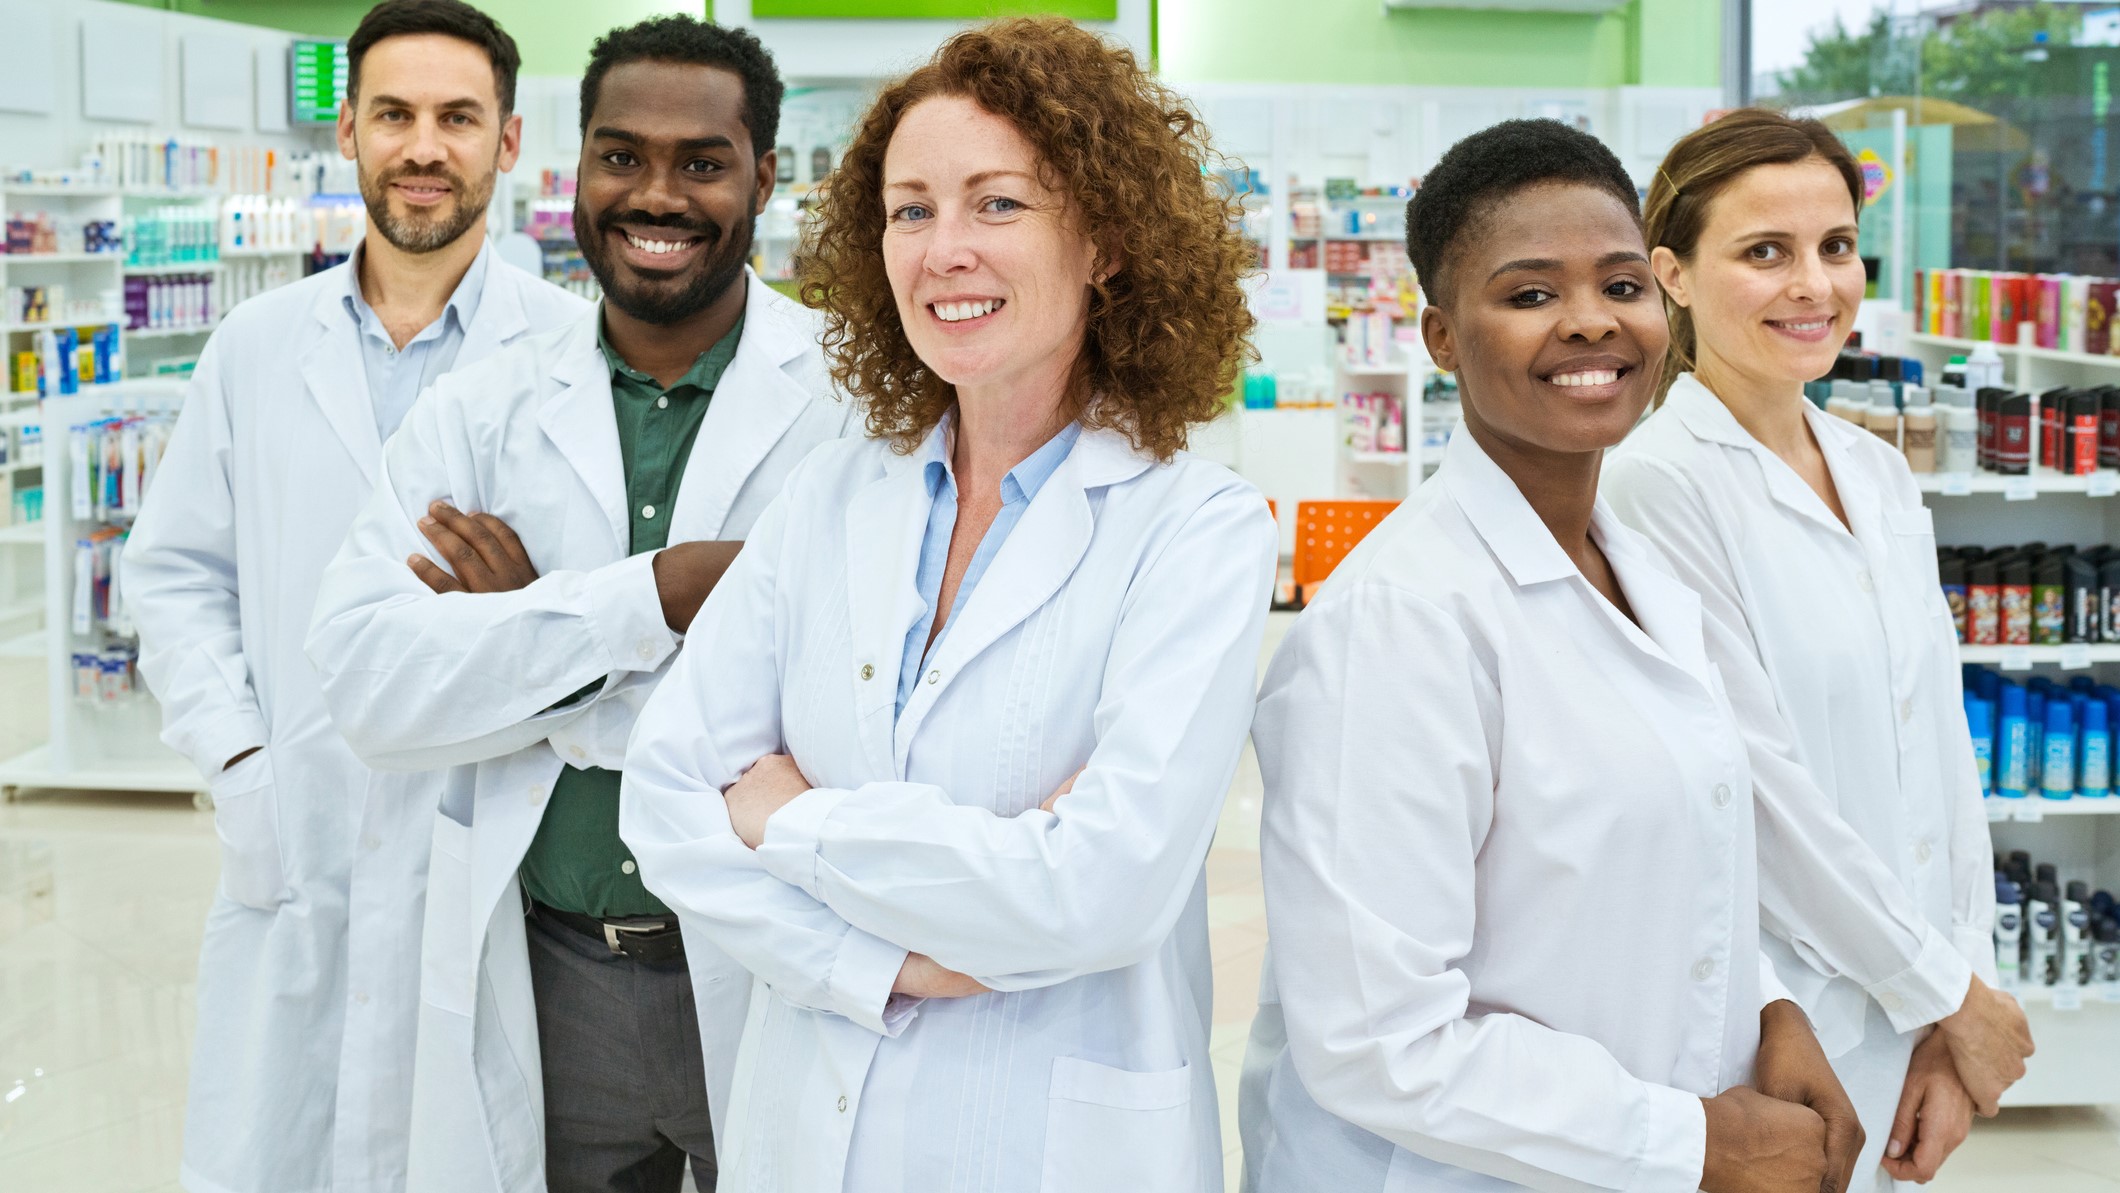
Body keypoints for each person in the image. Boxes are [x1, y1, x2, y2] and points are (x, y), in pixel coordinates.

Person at [618, 17, 1273, 1193]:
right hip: (805, 1126)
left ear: (1107, 243)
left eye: (997, 204)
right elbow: (665, 801)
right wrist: (889, 964)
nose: (943, 249)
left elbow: (1099, 891)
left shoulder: (1196, 531)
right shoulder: (829, 496)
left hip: (1048, 1141)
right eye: (910, 209)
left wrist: (788, 820)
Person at [1239, 119, 1864, 1193]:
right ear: (1439, 336)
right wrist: (1695, 1142)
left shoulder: (1640, 573)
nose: (1588, 323)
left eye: (1620, 285)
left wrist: (1767, 1008)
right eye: (1527, 295)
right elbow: (1376, 1040)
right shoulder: (1396, 623)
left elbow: (1664, 863)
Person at [304, 17, 850, 1193]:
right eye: (620, 155)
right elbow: (365, 685)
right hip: (550, 977)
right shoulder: (478, 410)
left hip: (771, 963)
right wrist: (657, 596)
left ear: (763, 173)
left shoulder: (853, 406)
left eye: (702, 161)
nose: (655, 193)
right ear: (573, 166)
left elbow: (849, 717)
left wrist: (526, 642)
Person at [121, 4, 586, 1190]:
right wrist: (239, 766)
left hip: (482, 848)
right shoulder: (255, 346)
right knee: (273, 1143)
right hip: (298, 830)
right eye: (394, 114)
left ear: (508, 139)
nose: (423, 146)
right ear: (349, 132)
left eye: (456, 118)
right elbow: (175, 573)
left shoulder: (573, 356)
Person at [1604, 107, 2034, 1189]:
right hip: (1771, 1015)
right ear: (1674, 275)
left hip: (1911, 1007)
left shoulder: (1876, 471)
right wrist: (1940, 989)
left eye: (1833, 247)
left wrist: (1952, 1004)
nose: (1813, 284)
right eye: (1764, 252)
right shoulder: (1652, 483)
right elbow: (1753, 784)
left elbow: (1941, 757)